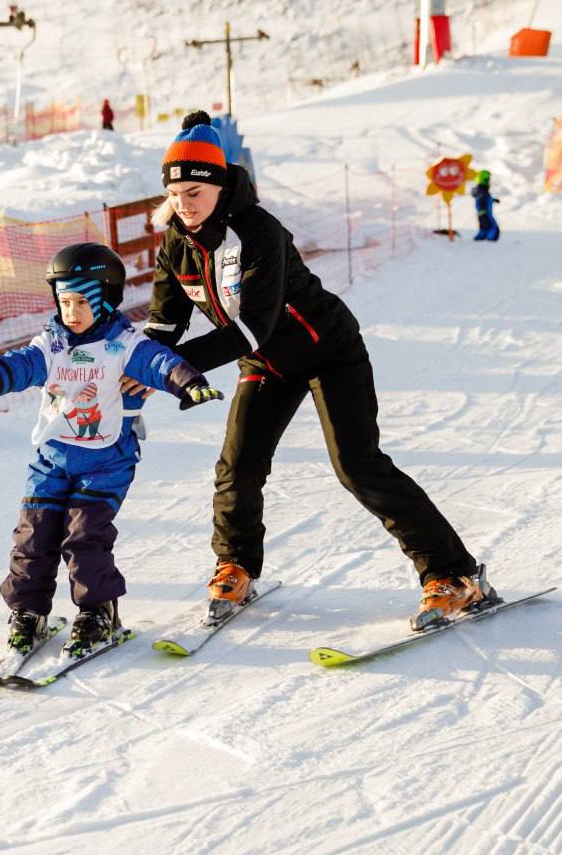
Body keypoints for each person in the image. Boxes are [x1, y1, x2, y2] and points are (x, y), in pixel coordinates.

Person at [135, 111, 493, 632]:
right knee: (238, 463)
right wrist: (140, 370)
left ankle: (453, 574)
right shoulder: (175, 243)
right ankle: (235, 565)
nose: (185, 205)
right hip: (267, 364)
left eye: (195, 192)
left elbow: (253, 326)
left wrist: (177, 368)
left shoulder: (259, 233)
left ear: (218, 187)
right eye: (176, 194)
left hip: (329, 352)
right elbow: (165, 325)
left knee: (357, 465)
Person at [0, 242, 222, 656]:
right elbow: (15, 367)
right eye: (64, 301)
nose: (71, 312)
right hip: (51, 459)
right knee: (33, 537)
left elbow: (160, 364)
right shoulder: (51, 344)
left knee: (85, 538)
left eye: (82, 301)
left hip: (106, 462)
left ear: (106, 300)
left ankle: (97, 611)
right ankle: (29, 611)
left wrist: (189, 383)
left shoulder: (124, 345)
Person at [471, 169, 500, 241]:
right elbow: (483, 198)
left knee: (483, 225)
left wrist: (493, 200)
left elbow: (484, 198)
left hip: (480, 212)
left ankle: (481, 236)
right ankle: (491, 237)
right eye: (488, 179)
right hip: (486, 212)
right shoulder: (483, 190)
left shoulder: (479, 190)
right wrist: (484, 208)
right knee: (493, 226)